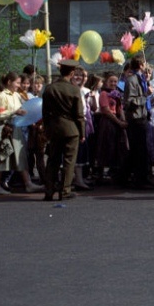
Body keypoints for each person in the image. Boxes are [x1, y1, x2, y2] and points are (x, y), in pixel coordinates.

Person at [0, 72, 42, 195]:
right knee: (2, 157)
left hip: (15, 128)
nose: (19, 85)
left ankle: (28, 183)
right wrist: (14, 112)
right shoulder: (2, 96)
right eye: (17, 82)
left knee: (20, 156)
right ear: (9, 82)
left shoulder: (16, 95)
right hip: (5, 129)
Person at [42, 60, 86, 201]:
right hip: (71, 129)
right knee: (69, 161)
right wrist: (82, 132)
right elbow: (79, 114)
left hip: (54, 129)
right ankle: (65, 191)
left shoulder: (49, 88)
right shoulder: (74, 90)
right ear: (72, 73)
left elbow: (45, 113)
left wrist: (47, 130)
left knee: (52, 160)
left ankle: (49, 191)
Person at [122, 55, 152, 189]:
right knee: (138, 150)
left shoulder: (141, 79)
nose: (146, 65)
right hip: (136, 118)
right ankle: (137, 179)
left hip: (143, 117)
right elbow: (130, 101)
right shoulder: (132, 80)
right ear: (140, 64)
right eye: (144, 63)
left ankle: (142, 177)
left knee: (143, 150)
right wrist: (145, 96)